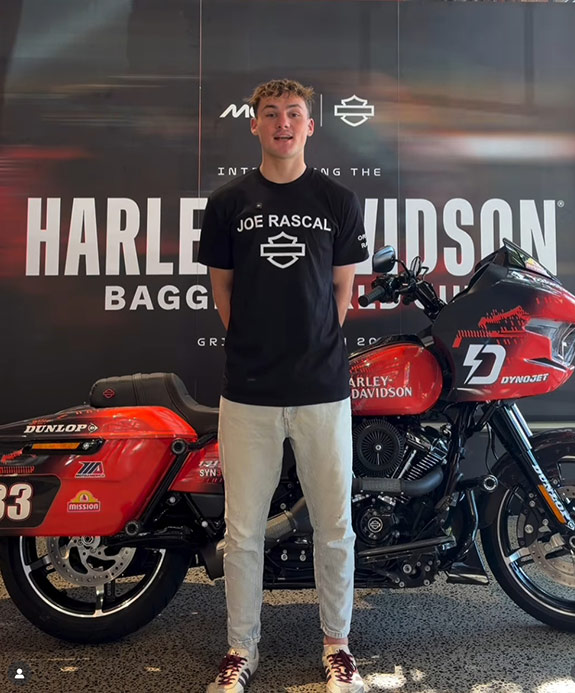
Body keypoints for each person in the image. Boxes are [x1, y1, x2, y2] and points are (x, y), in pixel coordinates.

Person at [198, 78, 368, 693]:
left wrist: (311, 343)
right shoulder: (228, 202)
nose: (283, 123)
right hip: (248, 391)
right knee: (242, 532)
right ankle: (240, 651)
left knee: (335, 526)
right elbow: (222, 290)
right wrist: (257, 343)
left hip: (322, 388)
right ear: (254, 125)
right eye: (270, 114)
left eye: (294, 113)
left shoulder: (337, 199)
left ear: (310, 125)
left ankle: (337, 646)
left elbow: (343, 288)